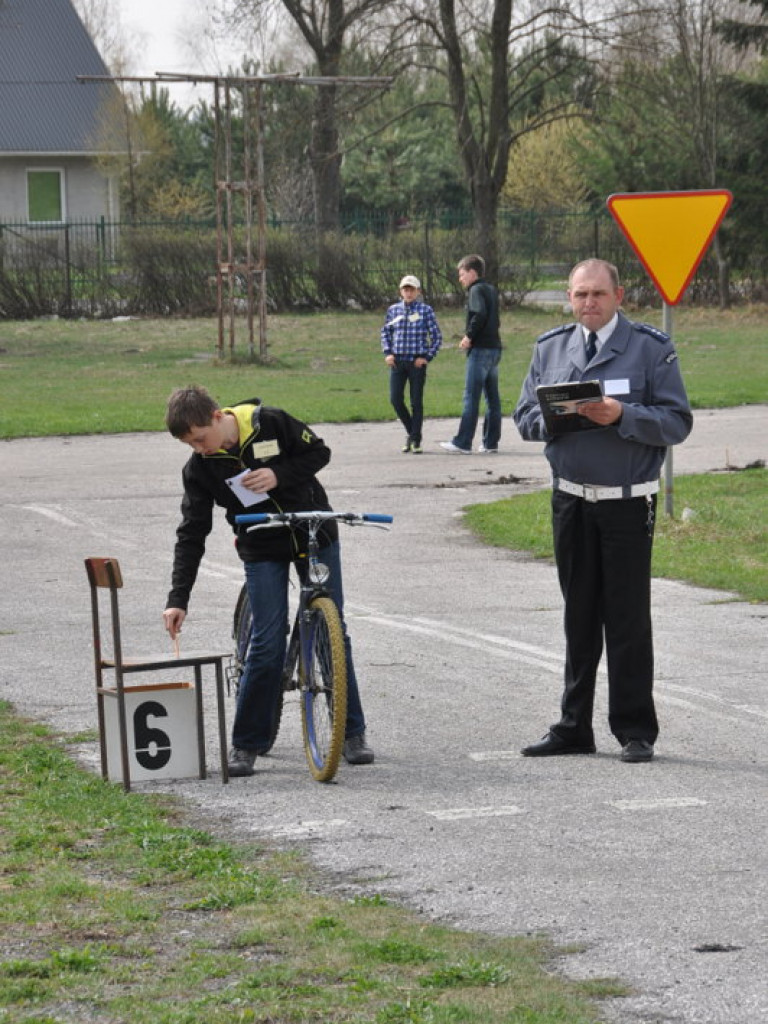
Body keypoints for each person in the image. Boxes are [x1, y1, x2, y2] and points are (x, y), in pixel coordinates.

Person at [514, 258, 693, 762]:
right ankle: (574, 727)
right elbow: (523, 416)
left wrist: (623, 415)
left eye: (598, 294)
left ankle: (635, 729)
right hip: (570, 499)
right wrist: (553, 418)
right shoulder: (551, 348)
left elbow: (677, 422)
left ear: (619, 296)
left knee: (627, 619)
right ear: (569, 299)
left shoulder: (649, 349)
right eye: (579, 295)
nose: (588, 303)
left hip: (626, 505)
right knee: (579, 616)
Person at [162, 385, 374, 777]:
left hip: (315, 535)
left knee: (334, 634)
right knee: (267, 641)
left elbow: (319, 452)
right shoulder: (200, 467)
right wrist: (178, 598)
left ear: (215, 417)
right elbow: (192, 533)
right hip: (262, 547)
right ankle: (247, 743)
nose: (198, 449)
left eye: (199, 439)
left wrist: (278, 475)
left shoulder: (271, 423)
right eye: (189, 444)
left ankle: (352, 733)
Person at [439, 254, 502, 454]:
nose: (460, 279)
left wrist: (468, 336)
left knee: (471, 396)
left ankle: (463, 441)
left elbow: (479, 313)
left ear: (472, 273)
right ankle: (490, 442)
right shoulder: (491, 289)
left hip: (480, 349)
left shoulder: (475, 290)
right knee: (492, 398)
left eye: (462, 274)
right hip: (494, 348)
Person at [380, 274, 443, 453]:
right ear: (401, 291)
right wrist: (388, 353)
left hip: (416, 362)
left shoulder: (425, 311)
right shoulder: (393, 310)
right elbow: (385, 332)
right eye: (405, 289)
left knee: (416, 401)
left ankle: (415, 441)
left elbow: (437, 336)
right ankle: (413, 433)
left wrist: (427, 357)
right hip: (398, 362)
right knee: (395, 399)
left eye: (411, 290)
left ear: (418, 291)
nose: (408, 293)